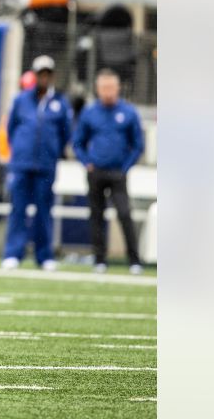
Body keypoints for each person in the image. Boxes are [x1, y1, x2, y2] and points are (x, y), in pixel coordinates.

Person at [2, 55, 74, 271]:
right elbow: (11, 129)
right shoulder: (21, 100)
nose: (43, 78)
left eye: (47, 74)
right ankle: (13, 253)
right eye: (40, 74)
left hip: (45, 164)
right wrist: (21, 150)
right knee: (18, 209)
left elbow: (65, 134)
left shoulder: (59, 103)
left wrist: (51, 151)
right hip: (22, 164)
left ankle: (44, 256)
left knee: (44, 210)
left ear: (52, 77)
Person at [72, 69, 145, 274]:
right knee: (96, 215)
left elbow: (138, 145)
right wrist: (86, 163)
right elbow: (78, 142)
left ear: (118, 88)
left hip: (117, 174)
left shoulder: (128, 113)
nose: (108, 92)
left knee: (124, 214)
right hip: (96, 172)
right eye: (104, 88)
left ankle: (134, 260)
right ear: (98, 89)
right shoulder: (90, 112)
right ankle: (99, 260)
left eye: (111, 87)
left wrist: (125, 167)